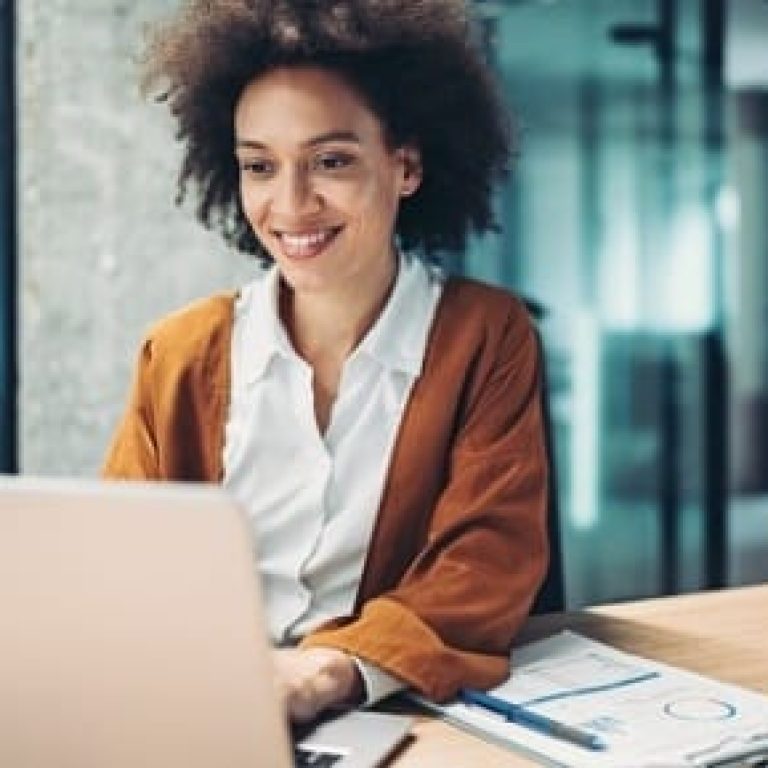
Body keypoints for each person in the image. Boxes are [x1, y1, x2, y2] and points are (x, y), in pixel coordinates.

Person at [103, 0, 549, 724]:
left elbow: (488, 564)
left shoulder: (485, 336)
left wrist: (324, 673)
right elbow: (115, 565)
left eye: (332, 161)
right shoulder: (178, 353)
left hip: (382, 711)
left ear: (405, 164)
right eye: (259, 166)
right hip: (200, 711)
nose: (291, 203)